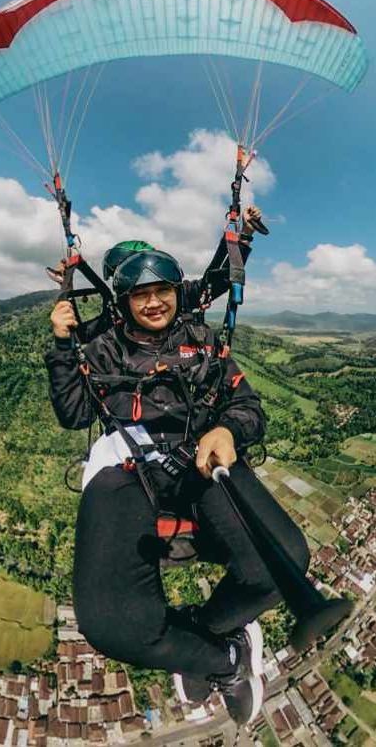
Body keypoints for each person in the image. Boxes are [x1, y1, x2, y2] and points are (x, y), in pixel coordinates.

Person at [45, 248, 310, 727]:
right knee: (111, 626)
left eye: (161, 291)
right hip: (127, 465)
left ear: (176, 293)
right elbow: (74, 413)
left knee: (284, 560)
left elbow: (247, 404)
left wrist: (228, 430)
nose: (152, 303)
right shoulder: (104, 345)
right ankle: (222, 660)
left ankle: (205, 636)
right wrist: (63, 346)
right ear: (123, 301)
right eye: (140, 294)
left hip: (200, 456)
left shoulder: (202, 341)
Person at [52, 205, 262, 343]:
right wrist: (66, 288)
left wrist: (244, 236)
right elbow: (80, 337)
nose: (152, 301)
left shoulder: (180, 295)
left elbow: (217, 281)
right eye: (135, 289)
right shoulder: (116, 313)